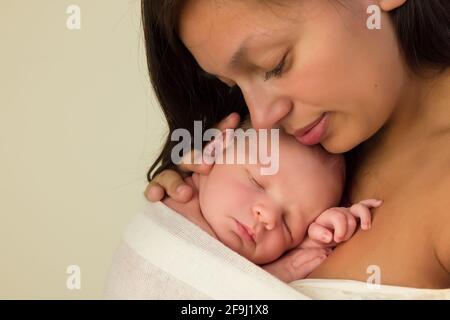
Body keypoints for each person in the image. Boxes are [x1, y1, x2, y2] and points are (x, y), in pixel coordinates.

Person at [141, 0, 450, 288]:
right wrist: (180, 237)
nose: (261, 118)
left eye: (274, 64)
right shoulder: (303, 155)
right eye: (233, 85)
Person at [162, 120, 381, 282]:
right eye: (256, 182)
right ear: (216, 149)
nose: (268, 216)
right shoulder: (174, 206)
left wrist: (324, 235)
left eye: (288, 226)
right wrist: (280, 273)